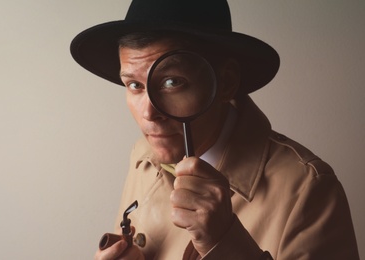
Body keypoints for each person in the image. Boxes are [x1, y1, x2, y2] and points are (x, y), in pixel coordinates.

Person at [70, 0, 359, 259]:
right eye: (134, 85)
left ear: (227, 82)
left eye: (172, 82)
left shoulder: (308, 189)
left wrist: (225, 243)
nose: (148, 113)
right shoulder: (143, 154)